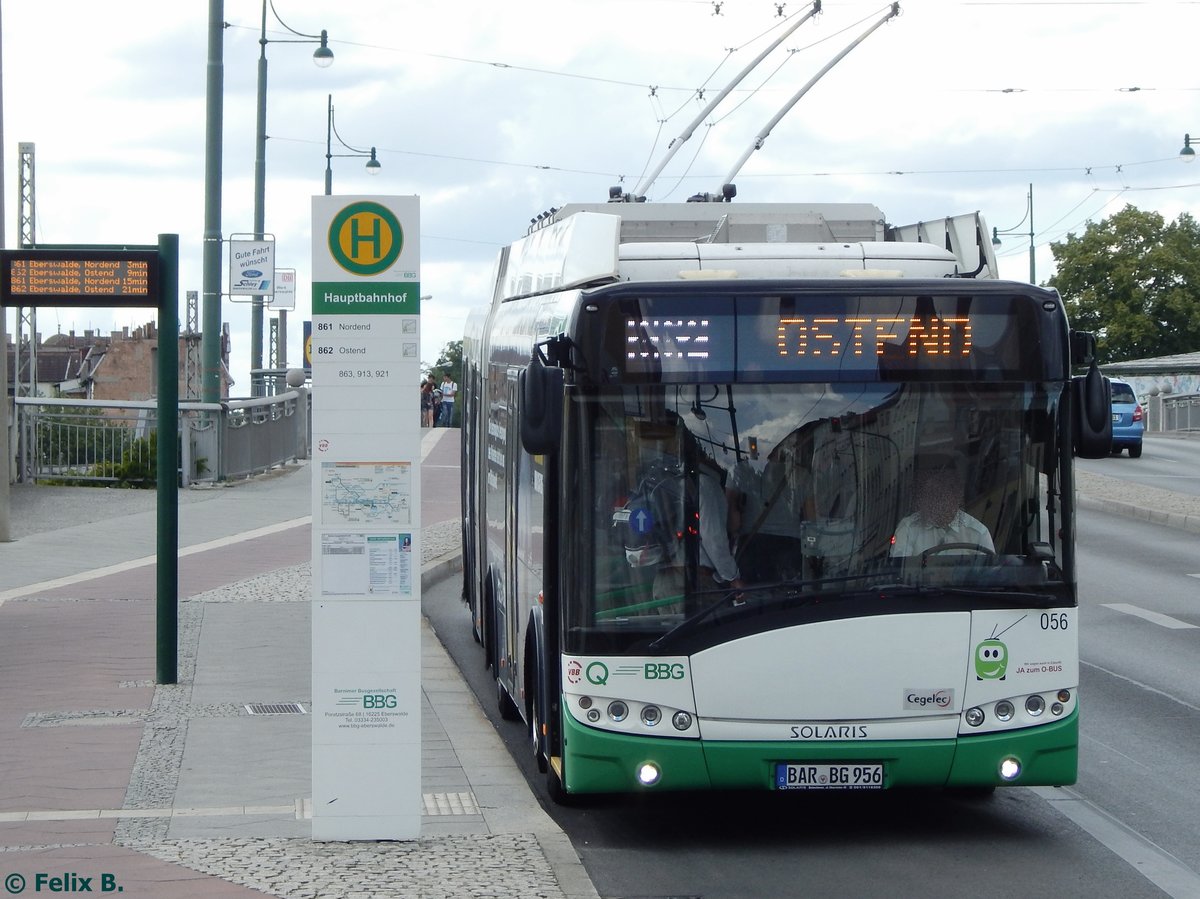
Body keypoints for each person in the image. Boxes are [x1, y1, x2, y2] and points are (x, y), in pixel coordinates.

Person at [890, 461, 994, 558]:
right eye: (933, 494)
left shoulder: (978, 533)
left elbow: (988, 574)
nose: (939, 502)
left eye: (945, 495)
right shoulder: (908, 528)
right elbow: (900, 572)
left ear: (957, 496)